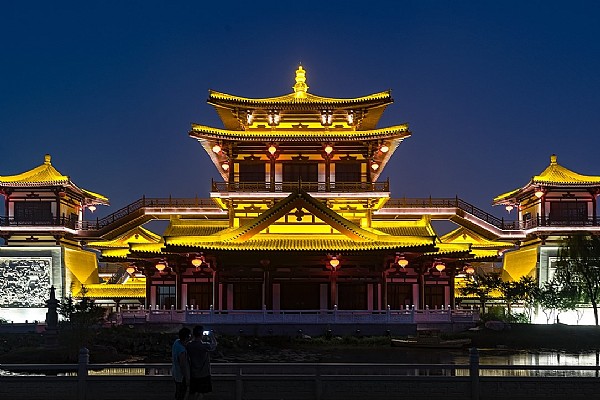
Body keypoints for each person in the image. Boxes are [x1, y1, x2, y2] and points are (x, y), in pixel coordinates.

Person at [186, 325, 218, 400]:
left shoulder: (189, 345)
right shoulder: (204, 346)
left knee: (192, 392)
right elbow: (214, 345)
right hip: (204, 374)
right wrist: (211, 335)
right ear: (201, 334)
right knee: (201, 393)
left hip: (193, 373)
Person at [172, 327, 191, 400]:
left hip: (175, 373)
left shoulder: (176, 342)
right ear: (186, 337)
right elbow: (183, 365)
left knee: (178, 392)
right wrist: (187, 377)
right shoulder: (182, 351)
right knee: (181, 394)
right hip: (181, 376)